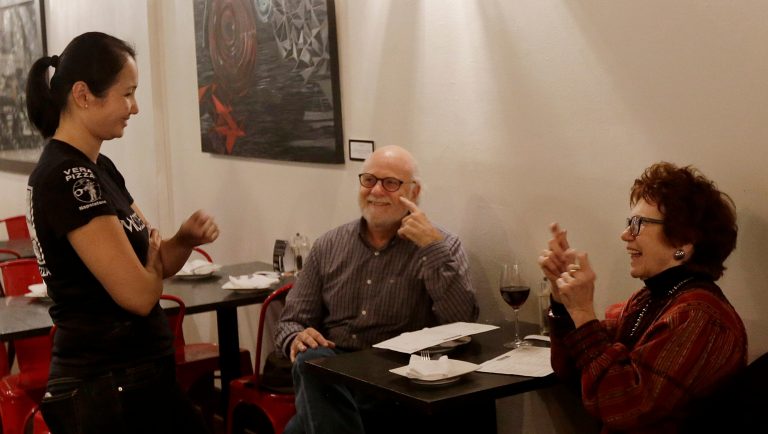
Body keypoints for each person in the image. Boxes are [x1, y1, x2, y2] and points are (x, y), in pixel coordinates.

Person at [25, 32, 216, 434]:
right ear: (83, 95)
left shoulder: (100, 168)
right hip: (107, 384)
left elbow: (156, 261)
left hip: (136, 378)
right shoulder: (67, 177)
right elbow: (138, 295)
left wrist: (182, 239)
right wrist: (149, 264)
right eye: (126, 94)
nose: (135, 108)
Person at [274, 145, 479, 434]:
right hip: (335, 377)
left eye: (391, 183)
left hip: (398, 381)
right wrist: (297, 337)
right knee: (310, 361)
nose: (377, 191)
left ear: (414, 192)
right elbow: (290, 322)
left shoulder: (441, 244)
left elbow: (462, 324)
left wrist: (432, 249)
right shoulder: (328, 245)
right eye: (368, 180)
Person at [538, 162, 747, 434]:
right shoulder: (650, 298)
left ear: (682, 243)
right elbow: (580, 374)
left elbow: (624, 409)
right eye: (629, 223)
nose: (625, 235)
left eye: (638, 224)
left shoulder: (698, 316)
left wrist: (581, 310)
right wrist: (563, 298)